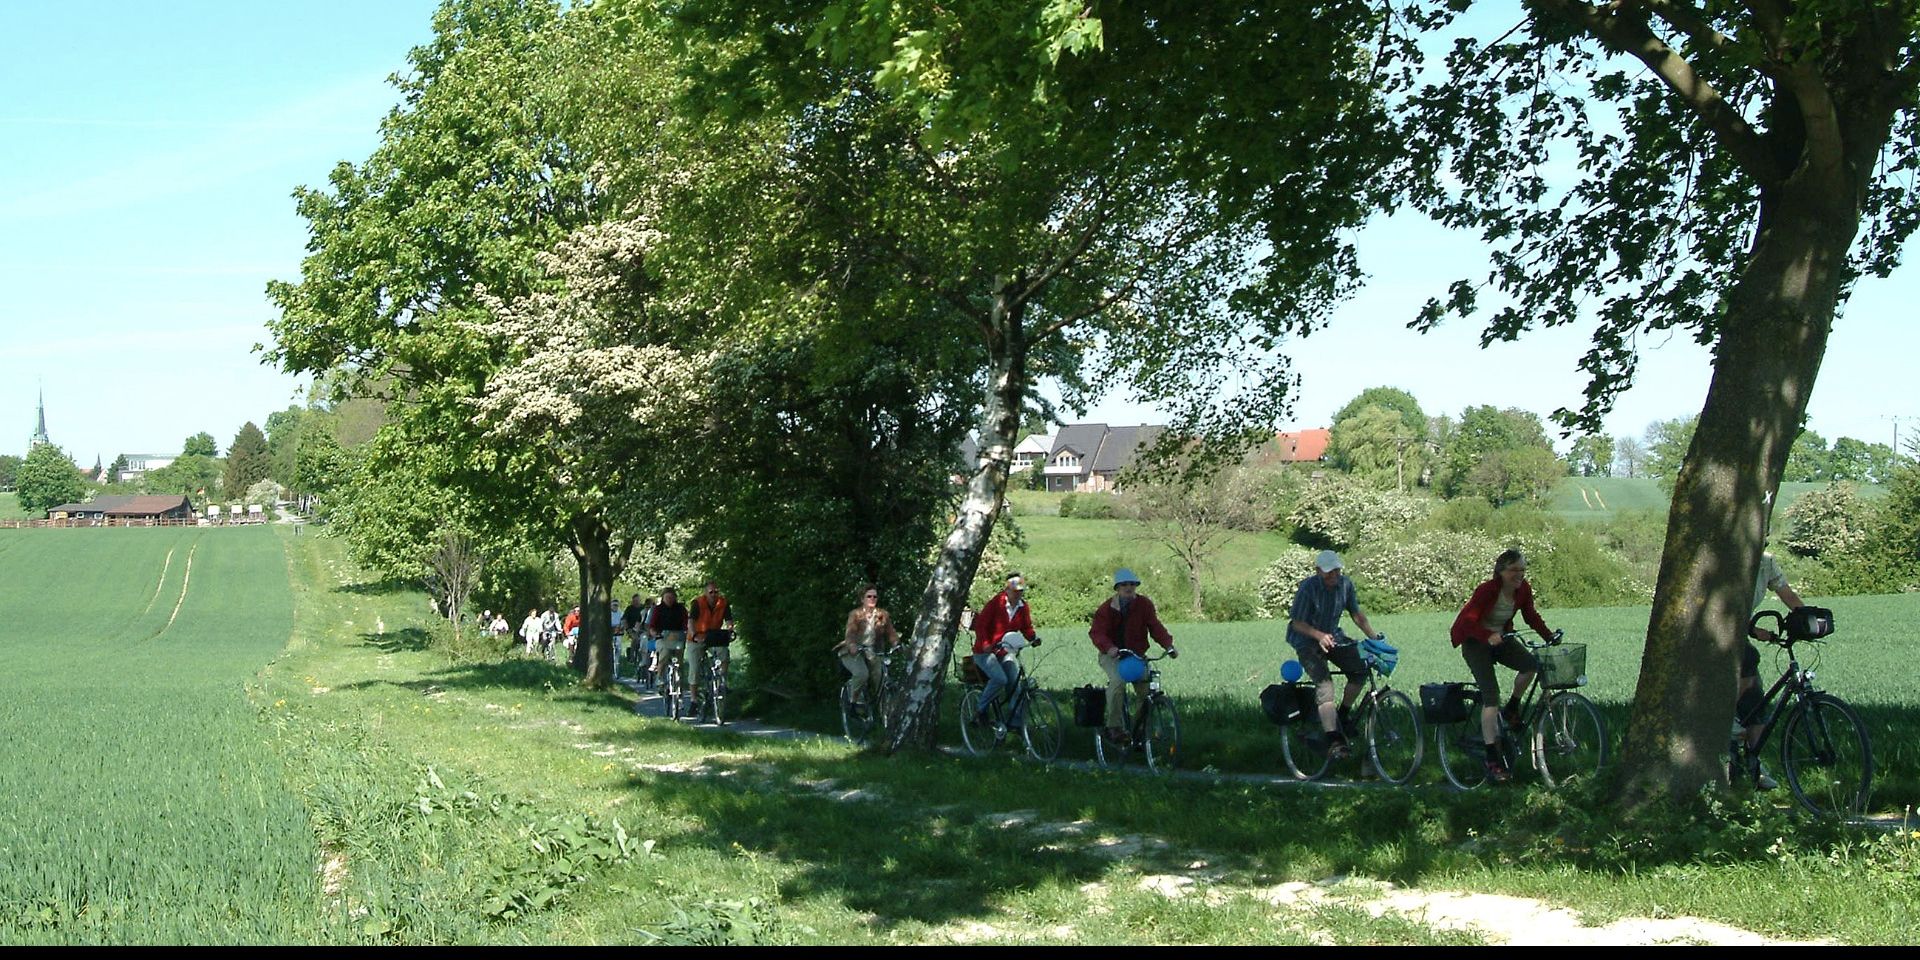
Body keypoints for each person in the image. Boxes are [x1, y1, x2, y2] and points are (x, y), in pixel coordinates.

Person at [1450, 549, 1556, 784]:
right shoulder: (1487, 590)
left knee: (1531, 665)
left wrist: (1548, 636)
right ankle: (1492, 757)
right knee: (1491, 696)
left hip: (1501, 638)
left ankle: (1512, 709)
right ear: (1501, 571)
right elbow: (1467, 621)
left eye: (1522, 570)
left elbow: (1531, 616)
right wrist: (1486, 635)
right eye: (1514, 570)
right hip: (1474, 640)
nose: (1519, 574)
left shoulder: (1523, 589)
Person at [1285, 551, 1380, 762]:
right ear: (1318, 571)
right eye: (1329, 572)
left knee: (1359, 671)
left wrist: (1375, 638)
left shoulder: (1345, 585)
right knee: (1325, 685)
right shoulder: (1308, 588)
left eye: (1336, 570)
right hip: (1307, 640)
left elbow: (1357, 615)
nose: (1334, 575)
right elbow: (1296, 623)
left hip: (1333, 636)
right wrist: (1318, 636)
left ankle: (1343, 717)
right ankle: (1334, 740)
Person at [1736, 549, 1806, 789]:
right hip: (1714, 631)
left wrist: (1807, 618)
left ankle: (1753, 767)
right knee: (1747, 657)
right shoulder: (1728, 556)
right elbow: (1725, 606)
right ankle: (1730, 723)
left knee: (1756, 704)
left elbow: (1787, 594)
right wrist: (1753, 630)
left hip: (1739, 629)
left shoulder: (1766, 562)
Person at [1089, 568, 1175, 745]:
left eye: (1132, 585)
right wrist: (1110, 648)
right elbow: (1097, 633)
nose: (1128, 588)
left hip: (1136, 655)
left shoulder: (1144, 605)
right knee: (1118, 682)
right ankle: (1114, 727)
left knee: (1146, 689)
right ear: (1117, 588)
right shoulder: (1106, 609)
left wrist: (1168, 645)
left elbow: (1155, 627)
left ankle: (1140, 730)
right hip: (1111, 655)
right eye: (1124, 585)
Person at [972, 572, 1042, 732]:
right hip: (984, 653)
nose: (1018, 594)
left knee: (1015, 684)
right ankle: (980, 710)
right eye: (1015, 590)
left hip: (1005, 652)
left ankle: (1015, 723)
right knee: (1000, 679)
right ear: (1007, 590)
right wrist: (985, 644)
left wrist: (1033, 638)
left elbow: (1026, 626)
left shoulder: (1023, 607)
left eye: (1020, 591)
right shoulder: (996, 604)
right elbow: (981, 625)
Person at [837, 584, 901, 715]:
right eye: (869, 596)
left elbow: (891, 633)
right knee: (862, 674)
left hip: (872, 652)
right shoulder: (855, 615)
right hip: (854, 652)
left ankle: (887, 714)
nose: (872, 599)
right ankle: (853, 702)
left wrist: (896, 644)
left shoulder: (882, 615)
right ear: (862, 599)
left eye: (875, 596)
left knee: (881, 678)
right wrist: (852, 645)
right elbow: (850, 634)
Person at [689, 581, 735, 710]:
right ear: (705, 593)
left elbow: (729, 620)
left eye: (716, 592)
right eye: (711, 592)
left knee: (724, 654)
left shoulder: (723, 603)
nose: (714, 594)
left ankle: (722, 683)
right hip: (697, 637)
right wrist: (694, 635)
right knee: (695, 668)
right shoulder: (697, 603)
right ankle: (693, 700)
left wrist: (730, 630)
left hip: (714, 636)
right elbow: (691, 621)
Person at [648, 587, 691, 704]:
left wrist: (686, 632)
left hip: (677, 638)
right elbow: (652, 626)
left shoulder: (681, 609)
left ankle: (679, 686)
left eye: (672, 597)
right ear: (663, 598)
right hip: (662, 638)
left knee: (680, 663)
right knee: (664, 654)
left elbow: (686, 623)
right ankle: (660, 678)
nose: (670, 600)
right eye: (667, 597)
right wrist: (655, 634)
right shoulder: (657, 610)